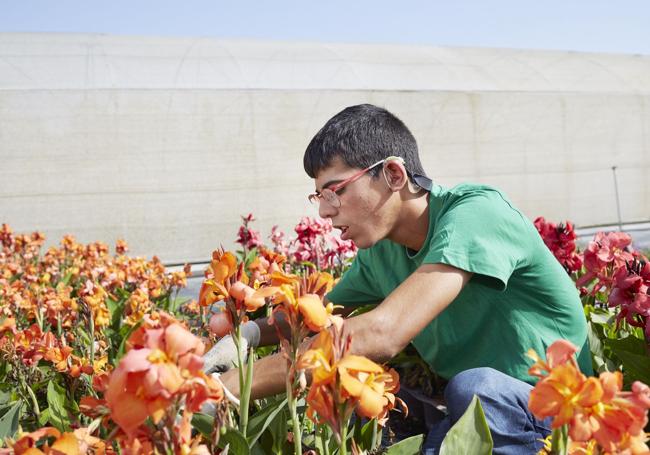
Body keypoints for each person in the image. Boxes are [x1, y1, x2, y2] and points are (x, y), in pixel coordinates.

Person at [205, 104, 592, 454]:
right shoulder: (380, 252)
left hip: (558, 413)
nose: (324, 211)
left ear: (393, 173)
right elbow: (313, 314)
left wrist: (230, 385)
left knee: (476, 389)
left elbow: (382, 334)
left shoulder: (477, 213)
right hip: (476, 411)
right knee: (364, 396)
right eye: (317, 197)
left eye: (334, 191)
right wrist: (245, 335)